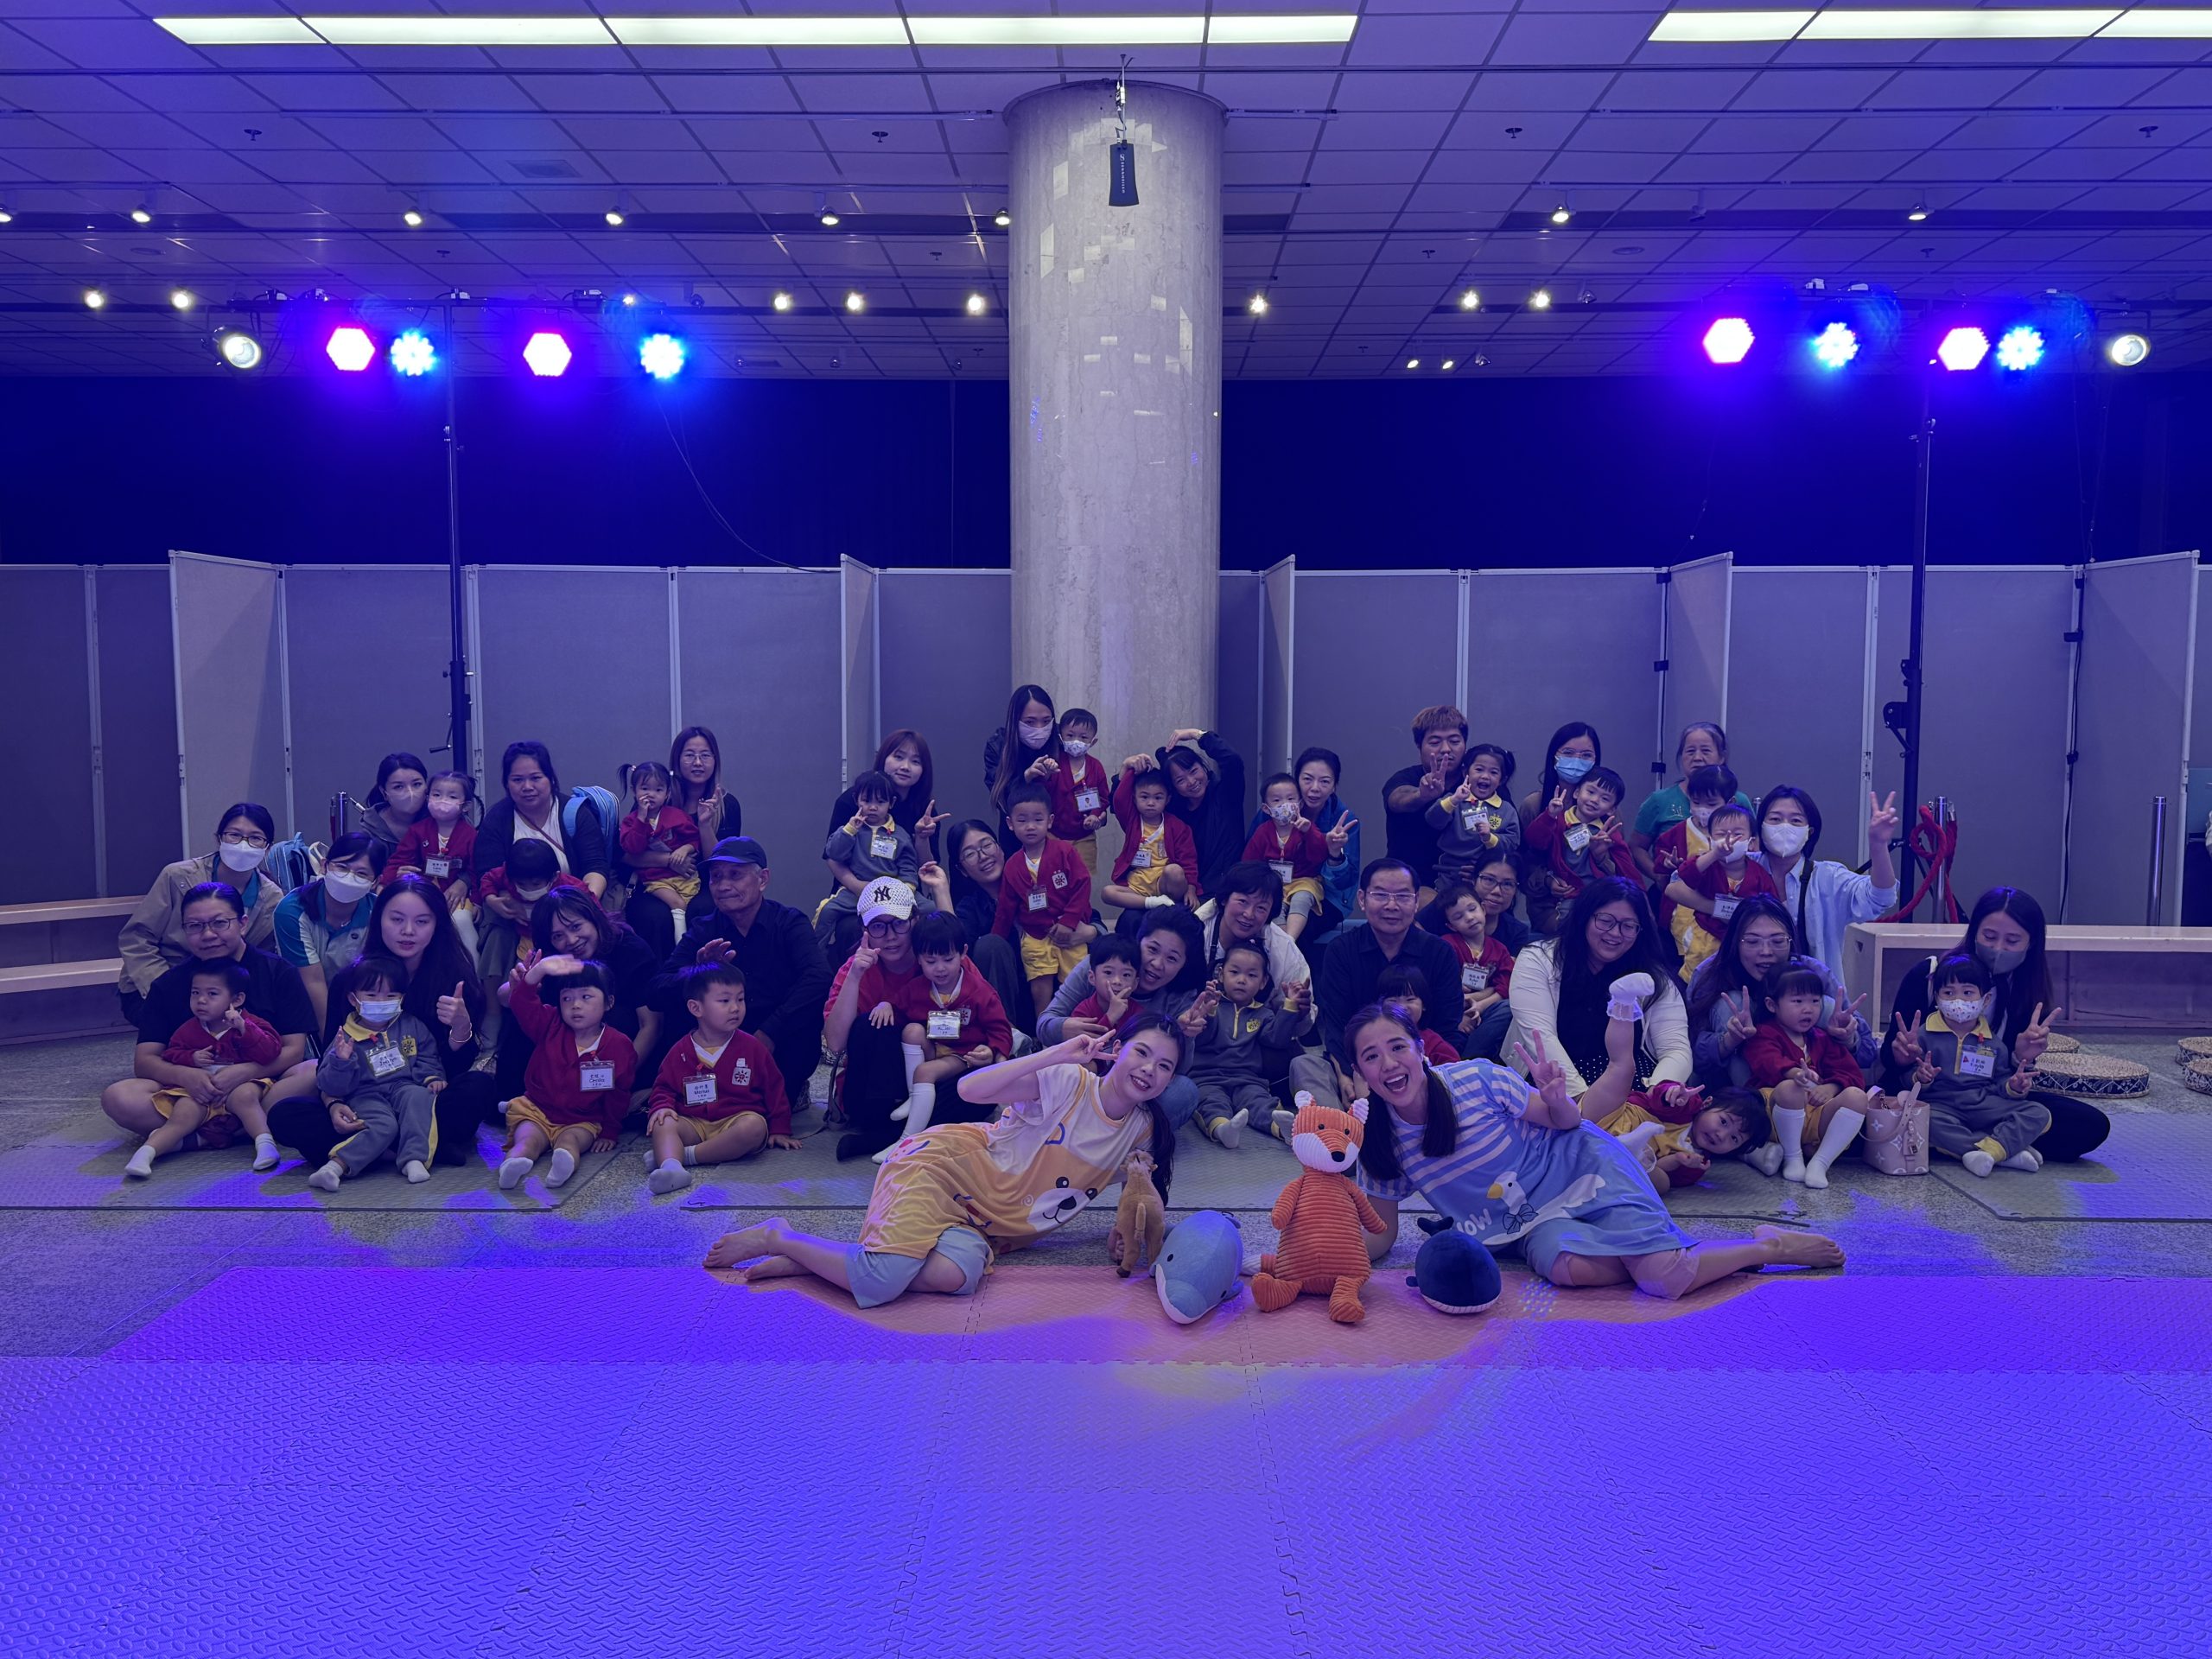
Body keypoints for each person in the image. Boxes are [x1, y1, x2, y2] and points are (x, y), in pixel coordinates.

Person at [1346, 1002, 1845, 1296]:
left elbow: (1567, 1123)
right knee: (1572, 1271)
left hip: (1584, 1167)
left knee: (1664, 1282)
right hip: (1527, 1225)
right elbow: (1381, 1235)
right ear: (1359, 1072)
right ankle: (1666, 1255)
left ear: (1421, 1050)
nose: (1388, 1064)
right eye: (1371, 1056)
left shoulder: (1475, 1079)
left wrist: (1556, 1098)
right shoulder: (1380, 1140)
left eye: (1398, 1047)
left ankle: (1765, 1247)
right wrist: (1320, 1263)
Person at [702, 1023, 1181, 1300]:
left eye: (1165, 1066)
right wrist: (1057, 1053)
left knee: (959, 1278)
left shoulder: (1143, 1130)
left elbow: (1139, 1195)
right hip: (942, 1169)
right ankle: (779, 1235)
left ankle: (818, 1264)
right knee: (882, 1283)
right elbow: (969, 1090)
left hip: (984, 1225)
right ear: (1115, 1050)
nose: (1149, 1070)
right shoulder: (1069, 1082)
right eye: (1141, 1052)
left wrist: (1127, 1233)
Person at [262, 876, 495, 1167]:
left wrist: (461, 1027)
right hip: (364, 1101)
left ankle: (377, 1148)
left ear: (438, 925)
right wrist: (334, 1103)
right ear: (379, 918)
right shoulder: (351, 980)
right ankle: (419, 1146)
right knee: (285, 1115)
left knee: (478, 1087)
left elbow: (455, 1070)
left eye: (422, 921)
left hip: (423, 1097)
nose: (408, 931)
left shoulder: (453, 978)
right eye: (396, 919)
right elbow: (329, 1057)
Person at [1879, 884, 2108, 1161]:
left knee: (2088, 1125)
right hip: (1930, 1098)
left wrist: (2021, 1058)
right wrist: (1903, 1057)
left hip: (1988, 1100)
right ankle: (2001, 1147)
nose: (1998, 949)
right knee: (1881, 1114)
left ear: (2031, 944)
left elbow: (2010, 1082)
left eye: (2012, 941)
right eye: (1989, 936)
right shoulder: (1930, 976)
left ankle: (1970, 1146)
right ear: (1974, 932)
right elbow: (1889, 1062)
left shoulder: (2025, 992)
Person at [102, 881, 313, 1176]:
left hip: (259, 1087)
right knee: (119, 1097)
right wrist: (186, 1076)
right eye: (195, 926)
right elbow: (145, 1060)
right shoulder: (169, 985)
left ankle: (192, 1137)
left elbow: (294, 1050)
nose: (208, 934)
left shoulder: (277, 972)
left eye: (219, 923)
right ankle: (244, 1130)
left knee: (314, 1071)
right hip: (191, 1094)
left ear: (242, 923)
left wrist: (247, 1072)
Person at [648, 836, 829, 1101]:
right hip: (718, 1042)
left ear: (763, 879)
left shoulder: (789, 923)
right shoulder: (704, 929)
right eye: (716, 877)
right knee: (683, 1001)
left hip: (776, 1040)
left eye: (735, 875)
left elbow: (819, 978)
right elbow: (655, 991)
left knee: (762, 1109)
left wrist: (769, 1032)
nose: (723, 886)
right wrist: (698, 971)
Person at [1291, 857, 1464, 1115]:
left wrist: (1414, 1078)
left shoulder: (1440, 953)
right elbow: (1337, 1025)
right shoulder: (1342, 950)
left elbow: (1447, 1027)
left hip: (1420, 1068)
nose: (1391, 905)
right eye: (1380, 895)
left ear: (1416, 902)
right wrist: (1346, 1075)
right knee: (1304, 1066)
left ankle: (1380, 1122)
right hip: (1357, 1065)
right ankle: (1339, 1130)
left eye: (1403, 896)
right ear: (1362, 899)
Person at [1505, 878, 1691, 1101]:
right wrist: (1581, 1102)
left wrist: (1658, 1091)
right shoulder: (1538, 959)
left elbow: (1676, 1049)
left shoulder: (1652, 977)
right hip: (1554, 1081)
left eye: (1628, 926)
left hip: (1632, 1087)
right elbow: (1540, 1037)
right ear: (1584, 917)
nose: (1615, 933)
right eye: (1605, 921)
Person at [1034, 905, 1211, 1129]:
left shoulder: (1180, 997)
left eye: (1172, 958)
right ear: (1139, 941)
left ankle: (1113, 1136)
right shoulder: (1102, 965)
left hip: (1132, 1088)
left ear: (1184, 964)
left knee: (1183, 1091)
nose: (1157, 964)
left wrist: (1186, 1035)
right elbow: (1045, 1024)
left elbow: (1178, 1070)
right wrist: (1063, 1027)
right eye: (1152, 949)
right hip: (1084, 1073)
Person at [1886, 952, 2052, 1178]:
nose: (1958, 1000)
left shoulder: (1993, 1042)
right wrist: (1921, 1078)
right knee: (1922, 1120)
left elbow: (2000, 1082)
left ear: (1985, 1000)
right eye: (1948, 993)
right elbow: (1906, 1080)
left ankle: (1991, 1152)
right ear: (1937, 998)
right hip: (1941, 1106)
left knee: (2038, 1113)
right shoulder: (1923, 1036)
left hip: (1984, 1104)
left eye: (1967, 992)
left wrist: (2013, 1086)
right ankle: (2002, 1150)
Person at [1685, 895, 1873, 1091]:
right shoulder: (1711, 974)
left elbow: (1868, 1054)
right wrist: (1729, 1040)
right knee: (1732, 1003)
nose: (1766, 951)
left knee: (1826, 1006)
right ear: (1735, 942)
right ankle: (1757, 1102)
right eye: (1752, 941)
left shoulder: (1812, 972)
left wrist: (1848, 1038)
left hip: (1811, 1087)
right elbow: (1690, 1056)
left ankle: (1818, 1099)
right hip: (1735, 1090)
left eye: (1777, 941)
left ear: (1791, 941)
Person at [642, 963, 800, 1193]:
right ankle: (671, 1168)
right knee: (663, 1122)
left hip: (735, 1121)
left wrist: (779, 1128)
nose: (735, 1008)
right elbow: (663, 1088)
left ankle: (680, 1157)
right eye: (725, 1001)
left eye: (740, 999)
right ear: (696, 1008)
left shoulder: (752, 1047)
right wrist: (662, 1107)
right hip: (694, 1123)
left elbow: (774, 1089)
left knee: (754, 1127)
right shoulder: (681, 1050)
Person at [115, 803, 283, 1020]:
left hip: (225, 990)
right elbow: (136, 938)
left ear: (268, 847)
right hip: (163, 978)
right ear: (219, 838)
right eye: (234, 835)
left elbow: (261, 958)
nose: (243, 845)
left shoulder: (272, 898)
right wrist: (166, 988)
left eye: (255, 838)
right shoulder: (177, 877)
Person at [122, 957, 283, 1179]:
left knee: (245, 1097)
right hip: (202, 1090)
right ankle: (147, 1153)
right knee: (184, 1112)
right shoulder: (189, 1029)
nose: (201, 1000)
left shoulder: (252, 1024)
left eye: (212, 994)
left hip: (240, 1084)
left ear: (237, 999)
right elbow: (171, 1053)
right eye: (195, 993)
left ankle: (265, 1144)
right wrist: (191, 1058)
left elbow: (270, 1052)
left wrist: (245, 1029)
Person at [868, 910, 1013, 1144]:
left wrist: (994, 1052)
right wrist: (886, 1004)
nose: (940, 968)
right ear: (919, 959)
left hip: (963, 1055)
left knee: (924, 1072)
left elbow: (1001, 1029)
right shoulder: (917, 987)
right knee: (912, 1031)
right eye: (931, 961)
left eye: (948, 959)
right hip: (935, 1048)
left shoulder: (980, 991)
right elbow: (897, 1002)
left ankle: (907, 1140)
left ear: (963, 953)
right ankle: (915, 1097)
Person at [304, 954, 446, 1191]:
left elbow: (427, 1054)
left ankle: (413, 1159)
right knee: (383, 1125)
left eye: (390, 996)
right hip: (365, 1094)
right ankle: (335, 1167)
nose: (381, 1002)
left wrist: (431, 1077)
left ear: (402, 998)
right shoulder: (345, 1037)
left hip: (404, 1086)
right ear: (353, 999)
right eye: (371, 995)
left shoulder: (411, 1025)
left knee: (419, 1098)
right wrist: (341, 1061)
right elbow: (330, 1085)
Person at [498, 958, 636, 1190]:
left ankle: (564, 1165)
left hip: (582, 1119)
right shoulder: (549, 1024)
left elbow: (619, 1093)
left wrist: (610, 1132)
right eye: (567, 998)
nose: (575, 1005)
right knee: (527, 1140)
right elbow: (522, 1003)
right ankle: (512, 1165)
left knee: (570, 1141)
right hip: (536, 1110)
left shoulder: (619, 1045)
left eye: (586, 997)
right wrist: (537, 972)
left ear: (609, 1002)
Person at [1741, 963, 1873, 1188]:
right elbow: (1767, 1061)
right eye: (1797, 1001)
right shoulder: (1764, 1033)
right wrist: (1795, 1074)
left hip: (1814, 1114)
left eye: (1815, 1001)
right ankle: (1793, 1158)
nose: (1808, 1009)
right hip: (1773, 1116)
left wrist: (1831, 1088)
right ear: (1772, 1005)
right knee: (1791, 1088)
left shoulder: (1821, 1038)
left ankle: (1821, 1162)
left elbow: (1851, 1073)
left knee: (1857, 1097)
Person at [1751, 785, 1899, 970]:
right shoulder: (1740, 867)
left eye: (1796, 820)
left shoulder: (1828, 877)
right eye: (1775, 819)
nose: (1785, 827)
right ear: (1761, 826)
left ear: (1809, 831)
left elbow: (1881, 897)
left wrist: (1878, 844)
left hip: (1813, 986)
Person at [1183, 939, 1313, 1147]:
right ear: (1221, 974)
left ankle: (1285, 1130)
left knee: (1260, 1102)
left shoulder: (1263, 1013)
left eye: (1252, 975)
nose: (1242, 980)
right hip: (1207, 1078)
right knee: (1211, 1103)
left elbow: (1277, 1040)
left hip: (1248, 1079)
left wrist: (1290, 1005)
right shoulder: (1210, 1005)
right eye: (1234, 972)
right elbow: (1203, 1039)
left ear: (1263, 982)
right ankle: (1224, 1129)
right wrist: (1209, 1011)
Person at [918, 822, 1030, 1035]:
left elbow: (1090, 919)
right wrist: (941, 888)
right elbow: (953, 948)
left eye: (987, 845)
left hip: (1048, 987)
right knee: (991, 945)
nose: (983, 856)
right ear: (962, 870)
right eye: (970, 854)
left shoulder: (1033, 882)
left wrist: (1091, 931)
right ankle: (1006, 1034)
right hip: (1003, 1002)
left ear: (1000, 848)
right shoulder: (970, 907)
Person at [270, 830, 385, 1032]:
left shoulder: (379, 913)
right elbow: (312, 982)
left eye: (361, 874)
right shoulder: (292, 911)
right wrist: (331, 1041)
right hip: (304, 1004)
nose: (349, 878)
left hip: (360, 1003)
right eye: (342, 867)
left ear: (375, 882)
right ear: (324, 866)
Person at [993, 782, 1090, 1014]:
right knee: (1040, 991)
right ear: (1010, 824)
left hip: (1070, 932)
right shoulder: (1012, 865)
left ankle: (1078, 1027)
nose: (1030, 826)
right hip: (1036, 936)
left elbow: (1082, 885)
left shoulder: (1065, 852)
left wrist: (1069, 921)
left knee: (1076, 987)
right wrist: (996, 939)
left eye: (1038, 819)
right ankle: (1044, 1031)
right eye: (1022, 820)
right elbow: (1006, 908)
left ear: (1050, 821)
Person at [474, 740, 611, 902]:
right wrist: (498, 901)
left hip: (571, 905)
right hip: (515, 907)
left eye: (536, 778)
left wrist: (584, 904)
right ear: (506, 783)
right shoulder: (497, 819)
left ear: (551, 779)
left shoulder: (576, 814)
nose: (527, 787)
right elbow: (487, 872)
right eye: (517, 780)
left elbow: (595, 866)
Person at [1664, 801, 1780, 983]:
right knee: (1699, 982)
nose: (1729, 840)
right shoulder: (1707, 866)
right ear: (1710, 840)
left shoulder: (1759, 874)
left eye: (1737, 834)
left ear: (1751, 842)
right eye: (1721, 834)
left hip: (1741, 941)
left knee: (1735, 981)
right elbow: (1686, 874)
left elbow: (1772, 906)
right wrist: (1714, 855)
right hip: (1705, 939)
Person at [819, 770, 921, 962]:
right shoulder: (851, 830)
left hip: (894, 892)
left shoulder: (900, 834)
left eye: (880, 802)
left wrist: (906, 890)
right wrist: (849, 830)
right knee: (827, 911)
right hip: (857, 891)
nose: (873, 807)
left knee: (930, 908)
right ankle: (816, 957)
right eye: (866, 801)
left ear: (891, 803)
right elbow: (834, 853)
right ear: (856, 800)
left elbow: (909, 866)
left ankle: (923, 953)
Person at [1628, 722, 1752, 880]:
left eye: (1705, 751)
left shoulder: (1739, 801)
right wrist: (1660, 875)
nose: (1697, 758)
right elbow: (1637, 847)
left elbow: (1754, 847)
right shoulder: (1659, 800)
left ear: (1721, 757)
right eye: (1690, 751)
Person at [1265, 746, 1359, 942]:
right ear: (1297, 780)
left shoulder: (1344, 820)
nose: (1315, 788)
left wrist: (1334, 854)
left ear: (1334, 786)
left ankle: (1291, 958)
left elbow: (1346, 882)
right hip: (1275, 887)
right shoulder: (1277, 810)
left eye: (1325, 781)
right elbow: (1252, 855)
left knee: (1301, 930)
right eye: (1307, 779)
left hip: (1328, 895)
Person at [1516, 722, 1602, 931]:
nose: (1577, 761)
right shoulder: (1534, 805)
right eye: (1568, 753)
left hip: (1596, 904)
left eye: (1586, 755)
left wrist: (1601, 856)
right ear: (1554, 756)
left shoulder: (1606, 809)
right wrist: (1547, 880)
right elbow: (1522, 864)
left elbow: (1619, 864)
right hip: (1548, 906)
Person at [383, 770, 480, 953]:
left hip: (455, 899)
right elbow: (397, 861)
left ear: (466, 806)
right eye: (436, 795)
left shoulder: (471, 835)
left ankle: (473, 969)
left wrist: (477, 902)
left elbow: (476, 870)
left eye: (452, 796)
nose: (442, 800)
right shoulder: (417, 831)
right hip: (421, 894)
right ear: (428, 798)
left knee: (461, 922)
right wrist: (393, 877)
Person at [1649, 763, 1738, 961]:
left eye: (1711, 804)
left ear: (1730, 802)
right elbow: (1660, 865)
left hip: (1724, 916)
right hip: (1685, 914)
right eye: (1696, 802)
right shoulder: (1678, 833)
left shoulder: (1738, 834)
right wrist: (1669, 864)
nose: (1702, 810)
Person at [1147, 726, 1247, 899]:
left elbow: (1233, 761)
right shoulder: (1173, 810)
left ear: (1203, 766)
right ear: (1173, 787)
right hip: (1182, 891)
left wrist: (1197, 735)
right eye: (1181, 780)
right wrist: (1127, 770)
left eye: (1194, 771)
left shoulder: (1226, 794)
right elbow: (1132, 810)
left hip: (1222, 890)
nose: (1191, 781)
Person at [1380, 704, 1471, 895]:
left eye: (1454, 741)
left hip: (1465, 885)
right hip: (1410, 885)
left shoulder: (1480, 784)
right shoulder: (1405, 778)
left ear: (1465, 744)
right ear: (1419, 746)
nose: (1446, 749)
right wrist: (1421, 796)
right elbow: (1397, 799)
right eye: (1435, 742)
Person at [1522, 764, 1631, 918]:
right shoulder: (1559, 821)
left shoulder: (1608, 834)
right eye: (1591, 792)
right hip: (1566, 893)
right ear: (1577, 793)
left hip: (1598, 895)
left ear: (1612, 809)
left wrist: (1601, 857)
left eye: (1605, 798)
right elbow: (1535, 841)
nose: (1595, 800)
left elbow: (1625, 872)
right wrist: (1549, 816)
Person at [828, 728, 945, 868]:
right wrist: (863, 884)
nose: (906, 767)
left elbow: (928, 867)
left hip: (905, 881)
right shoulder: (854, 799)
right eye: (899, 757)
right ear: (883, 758)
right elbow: (832, 858)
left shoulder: (925, 810)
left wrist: (922, 838)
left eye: (915, 761)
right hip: (853, 880)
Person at [1243, 772, 1337, 941]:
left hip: (1304, 881)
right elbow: (1249, 862)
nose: (1284, 804)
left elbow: (1319, 855)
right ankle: (1282, 941)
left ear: (1299, 804)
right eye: (1277, 800)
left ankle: (1290, 940)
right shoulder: (1262, 832)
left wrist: (1309, 832)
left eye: (1291, 799)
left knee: (1302, 897)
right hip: (1274, 883)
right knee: (1273, 904)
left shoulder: (1306, 828)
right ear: (1266, 808)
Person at [1105, 756, 1198, 926]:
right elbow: (1119, 799)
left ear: (1167, 799)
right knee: (1107, 892)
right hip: (1137, 887)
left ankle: (1169, 904)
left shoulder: (1178, 826)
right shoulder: (1132, 821)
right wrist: (1131, 770)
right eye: (1144, 797)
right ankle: (1153, 903)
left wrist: (1191, 889)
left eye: (1158, 798)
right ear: (1134, 798)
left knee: (1175, 870)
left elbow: (1189, 861)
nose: (1150, 803)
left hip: (1164, 884)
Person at [617, 760, 701, 943]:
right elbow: (633, 849)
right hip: (656, 879)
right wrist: (641, 819)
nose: (651, 794)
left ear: (667, 793)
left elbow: (695, 840)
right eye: (645, 788)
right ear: (634, 791)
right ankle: (682, 947)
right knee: (677, 904)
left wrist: (684, 849)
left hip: (683, 876)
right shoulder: (631, 821)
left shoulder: (677, 816)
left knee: (694, 907)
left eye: (658, 790)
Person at [1198, 861, 1314, 995]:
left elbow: (1302, 1000)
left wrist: (1296, 1004)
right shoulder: (1196, 933)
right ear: (1225, 899)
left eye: (1261, 908)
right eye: (1243, 902)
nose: (1249, 914)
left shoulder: (1283, 950)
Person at [1435, 881, 1514, 1059]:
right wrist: (1461, 1014)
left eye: (1472, 909)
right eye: (1459, 917)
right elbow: (1446, 990)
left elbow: (1506, 985)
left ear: (1483, 909)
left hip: (1486, 1010)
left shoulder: (1500, 949)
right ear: (1451, 926)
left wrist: (1480, 1005)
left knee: (1509, 1008)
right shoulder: (1446, 945)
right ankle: (1467, 1060)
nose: (1469, 918)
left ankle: (1472, 1058)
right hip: (1453, 1013)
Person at [1427, 742, 1519, 890]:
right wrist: (1454, 800)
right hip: (1450, 875)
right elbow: (1433, 820)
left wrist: (1490, 838)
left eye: (1494, 772)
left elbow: (1512, 843)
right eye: (1479, 769)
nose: (1485, 776)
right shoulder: (1454, 799)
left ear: (1502, 780)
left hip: (1488, 877)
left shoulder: (1507, 810)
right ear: (1466, 773)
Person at [984, 683, 1061, 849]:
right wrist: (1026, 777)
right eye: (1030, 722)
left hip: (1061, 833)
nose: (1040, 728)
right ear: (1015, 721)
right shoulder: (998, 745)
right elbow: (999, 798)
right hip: (1017, 839)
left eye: (1046, 721)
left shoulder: (1061, 738)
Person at [1040, 707, 1111, 873]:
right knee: (1053, 876)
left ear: (1093, 741)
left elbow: (1103, 798)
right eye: (1070, 736)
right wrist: (1047, 774)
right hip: (1053, 834)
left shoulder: (1096, 767)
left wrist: (1095, 815)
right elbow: (1042, 795)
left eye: (1083, 737)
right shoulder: (1054, 762)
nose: (1076, 741)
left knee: (1083, 877)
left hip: (1084, 837)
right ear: (1061, 737)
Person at [1375, 963, 1461, 1068]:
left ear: (1423, 1004)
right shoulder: (1372, 1039)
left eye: (1410, 1000)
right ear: (1380, 1005)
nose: (1402, 1007)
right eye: (1393, 1001)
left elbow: (1456, 1069)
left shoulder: (1432, 1042)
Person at [671, 725, 739, 851]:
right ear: (677, 759)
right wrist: (667, 859)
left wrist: (705, 825)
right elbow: (630, 855)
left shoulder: (727, 805)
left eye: (705, 755)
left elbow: (723, 861)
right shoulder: (659, 798)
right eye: (690, 755)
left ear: (715, 760)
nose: (698, 763)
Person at [1067, 934, 1144, 1041]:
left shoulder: (1138, 1013)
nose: (1117, 981)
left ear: (1135, 983)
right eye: (1108, 972)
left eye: (1126, 975)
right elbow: (1082, 1047)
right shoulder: (1083, 1012)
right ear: (1092, 977)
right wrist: (1111, 1017)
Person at [357, 753, 430, 853]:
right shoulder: (370, 834)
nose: (410, 793)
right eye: (398, 787)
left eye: (417, 784)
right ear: (384, 793)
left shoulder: (441, 820)